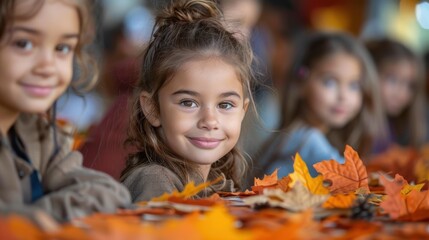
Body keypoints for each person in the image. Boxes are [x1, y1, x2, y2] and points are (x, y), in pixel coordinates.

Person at [0, 0, 131, 222]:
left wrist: (40, 215)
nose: (47, 66)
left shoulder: (38, 135)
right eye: (24, 43)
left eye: (62, 48)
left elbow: (109, 192)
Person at [120, 0, 254, 202]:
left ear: (242, 111)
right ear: (152, 108)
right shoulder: (154, 182)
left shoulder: (216, 182)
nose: (209, 120)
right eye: (188, 103)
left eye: (225, 105)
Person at [255, 31, 386, 178]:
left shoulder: (293, 134)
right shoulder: (308, 141)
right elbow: (354, 180)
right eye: (329, 82)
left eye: (354, 85)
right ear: (301, 82)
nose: (343, 96)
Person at [366, 38, 426, 149]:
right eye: (392, 80)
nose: (401, 94)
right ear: (369, 74)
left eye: (410, 85)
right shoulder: (360, 129)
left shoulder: (393, 127)